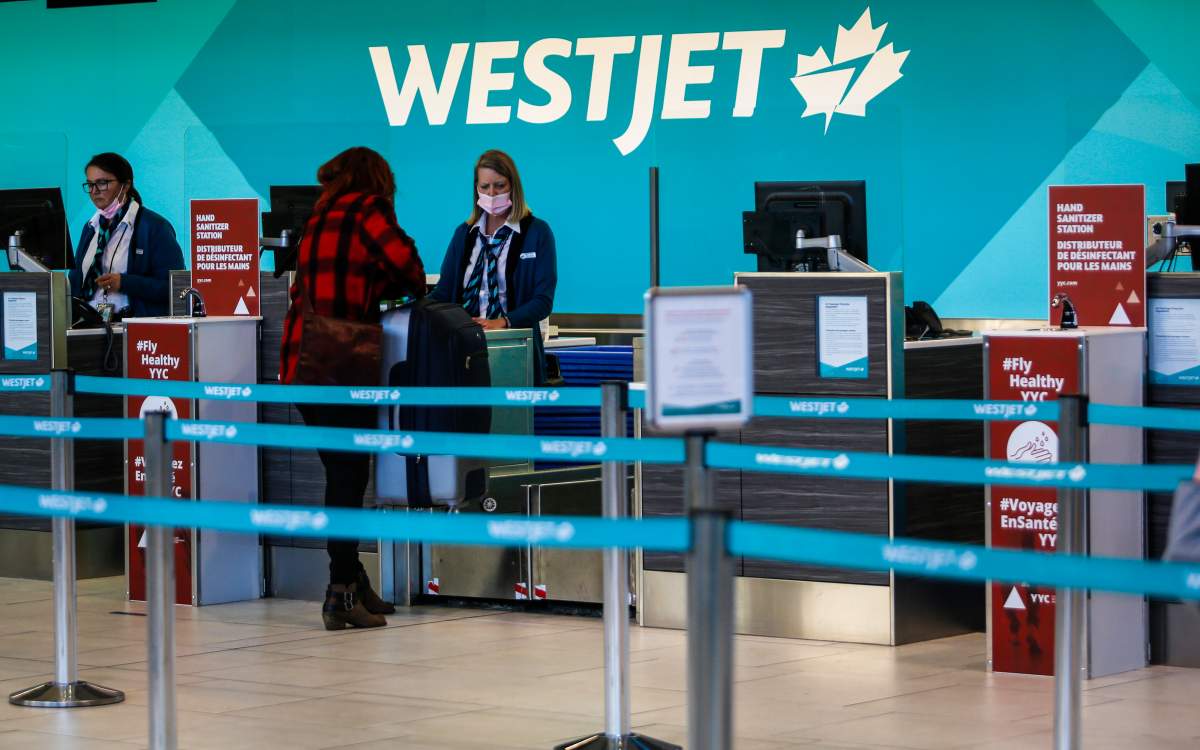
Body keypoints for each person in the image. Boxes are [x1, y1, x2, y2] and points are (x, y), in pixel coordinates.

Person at [278, 147, 426, 630]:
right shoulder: (369, 211)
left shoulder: (318, 217)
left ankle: (355, 578)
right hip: (341, 365)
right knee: (346, 480)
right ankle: (340, 591)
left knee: (338, 473)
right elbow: (412, 273)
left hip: (301, 364)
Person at [431, 149, 557, 384]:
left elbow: (543, 301)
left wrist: (503, 321)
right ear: (476, 189)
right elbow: (444, 293)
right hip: (464, 350)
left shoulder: (537, 232)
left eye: (499, 186)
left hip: (515, 348)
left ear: (513, 187)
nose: (492, 193)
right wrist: (411, 309)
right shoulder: (464, 234)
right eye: (484, 187)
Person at [67, 153, 184, 319]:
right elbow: (76, 282)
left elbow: (176, 289)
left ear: (126, 185)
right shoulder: (90, 228)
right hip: (89, 326)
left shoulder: (154, 227)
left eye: (102, 183)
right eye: (90, 184)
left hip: (135, 329)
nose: (94, 191)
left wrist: (125, 283)